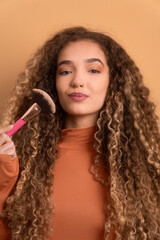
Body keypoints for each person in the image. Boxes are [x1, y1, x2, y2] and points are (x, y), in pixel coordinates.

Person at [0, 26, 160, 240]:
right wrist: (4, 176)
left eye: (93, 70)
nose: (77, 81)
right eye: (65, 71)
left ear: (114, 82)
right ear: (52, 83)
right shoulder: (21, 158)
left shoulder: (145, 164)